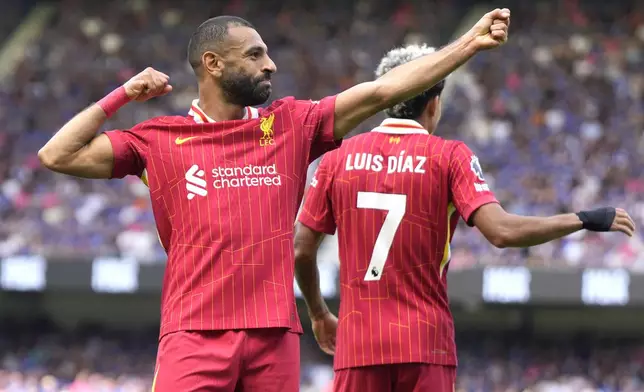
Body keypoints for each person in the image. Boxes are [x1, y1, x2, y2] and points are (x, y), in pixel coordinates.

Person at [38, 10, 511, 392]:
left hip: (275, 337)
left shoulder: (289, 125)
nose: (271, 65)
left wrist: (468, 45)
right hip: (192, 334)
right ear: (213, 63)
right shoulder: (159, 140)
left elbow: (383, 90)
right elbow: (57, 154)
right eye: (255, 55)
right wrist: (122, 94)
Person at [293, 44, 637, 392]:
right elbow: (502, 232)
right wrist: (581, 219)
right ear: (434, 102)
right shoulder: (449, 157)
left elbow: (302, 249)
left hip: (358, 347)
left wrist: (319, 313)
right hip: (425, 345)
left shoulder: (338, 159)